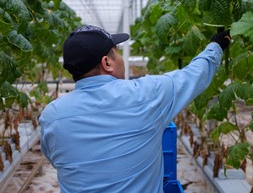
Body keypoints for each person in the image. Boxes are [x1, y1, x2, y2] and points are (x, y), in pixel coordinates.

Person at [39, 25, 230, 193]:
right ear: (107, 63)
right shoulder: (148, 95)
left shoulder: (51, 117)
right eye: (117, 51)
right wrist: (216, 45)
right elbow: (194, 75)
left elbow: (55, 160)